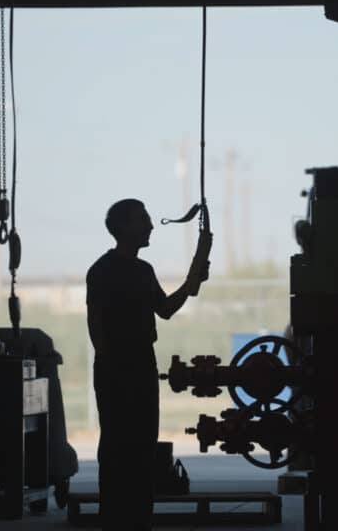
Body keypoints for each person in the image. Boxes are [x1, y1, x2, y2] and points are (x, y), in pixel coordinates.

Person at [86, 198, 211, 530]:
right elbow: (95, 324)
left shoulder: (144, 271)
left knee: (141, 446)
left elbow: (165, 309)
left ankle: (139, 519)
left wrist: (192, 279)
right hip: (117, 366)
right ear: (124, 226)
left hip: (140, 362)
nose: (151, 226)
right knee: (116, 447)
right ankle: (114, 519)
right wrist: (110, 364)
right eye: (143, 219)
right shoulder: (102, 271)